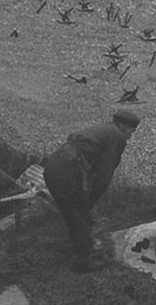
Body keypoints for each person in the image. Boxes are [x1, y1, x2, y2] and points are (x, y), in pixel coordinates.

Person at [43, 109, 141, 273]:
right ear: (124, 127)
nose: (130, 136)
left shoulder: (105, 129)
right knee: (78, 213)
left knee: (76, 212)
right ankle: (84, 261)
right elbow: (104, 175)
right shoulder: (116, 137)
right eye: (131, 131)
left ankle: (83, 244)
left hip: (55, 166)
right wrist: (92, 199)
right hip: (64, 173)